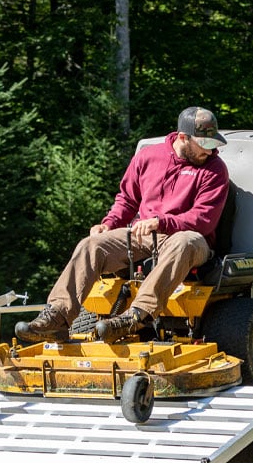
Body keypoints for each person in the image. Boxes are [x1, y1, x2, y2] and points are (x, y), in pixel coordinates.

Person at [15, 106, 230, 344]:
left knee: (184, 242)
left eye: (214, 144)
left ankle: (137, 316)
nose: (212, 151)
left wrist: (161, 222)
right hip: (145, 234)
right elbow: (127, 199)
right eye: (205, 145)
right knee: (91, 244)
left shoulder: (215, 169)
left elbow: (203, 220)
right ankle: (57, 318)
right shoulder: (148, 157)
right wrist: (108, 224)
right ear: (182, 138)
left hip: (191, 239)